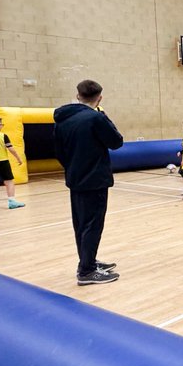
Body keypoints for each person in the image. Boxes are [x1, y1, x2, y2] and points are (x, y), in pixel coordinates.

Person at [53, 79, 123, 285]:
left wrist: (74, 167)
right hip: (95, 179)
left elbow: (58, 151)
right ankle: (86, 271)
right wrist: (103, 115)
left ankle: (87, 261)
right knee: (93, 224)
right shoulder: (95, 118)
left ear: (78, 96)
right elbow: (116, 142)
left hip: (75, 177)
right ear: (99, 98)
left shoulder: (62, 119)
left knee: (81, 223)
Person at [0, 117, 25, 209]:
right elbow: (11, 149)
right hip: (3, 162)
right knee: (9, 181)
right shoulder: (3, 136)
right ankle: (12, 201)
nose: (2, 126)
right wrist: (18, 158)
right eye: (1, 124)